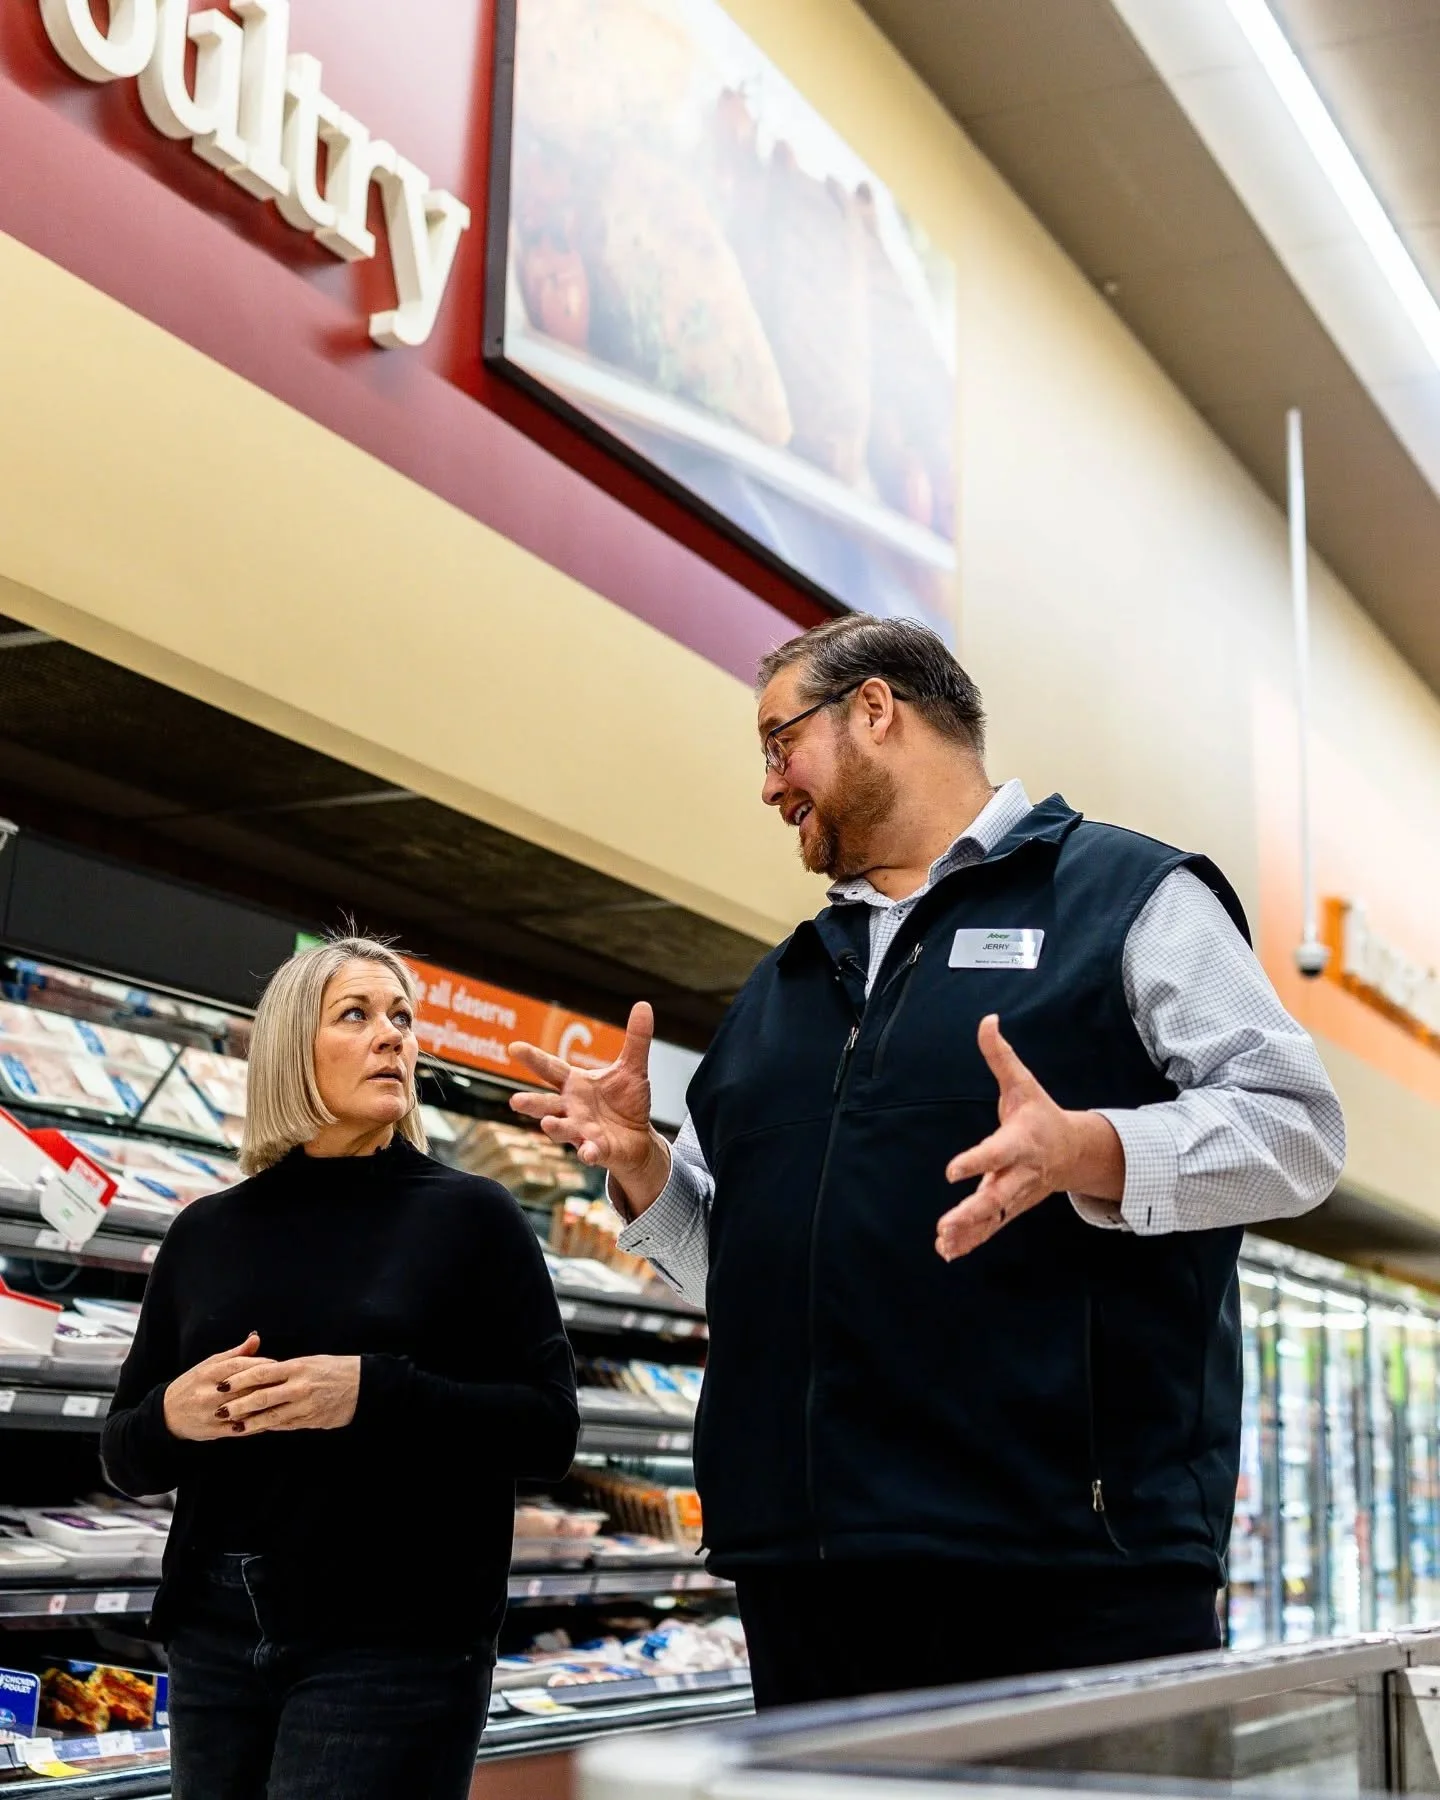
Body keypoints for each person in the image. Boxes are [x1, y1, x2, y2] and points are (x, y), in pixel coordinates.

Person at [511, 614, 1345, 1709]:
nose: (768, 787)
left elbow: (1297, 1130)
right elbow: (746, 1280)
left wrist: (1092, 1148)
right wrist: (645, 1173)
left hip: (1067, 1572)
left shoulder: (1127, 898)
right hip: (803, 1580)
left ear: (875, 711)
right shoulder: (784, 987)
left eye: (778, 743)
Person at [102, 935, 578, 1799]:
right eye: (356, 1016)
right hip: (215, 1633)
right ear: (291, 1047)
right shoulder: (206, 1232)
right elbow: (124, 1453)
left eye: (402, 1018)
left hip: (395, 1641)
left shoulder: (472, 1218)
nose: (392, 1037)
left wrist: (371, 1392)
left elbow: (547, 1428)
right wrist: (175, 1413)